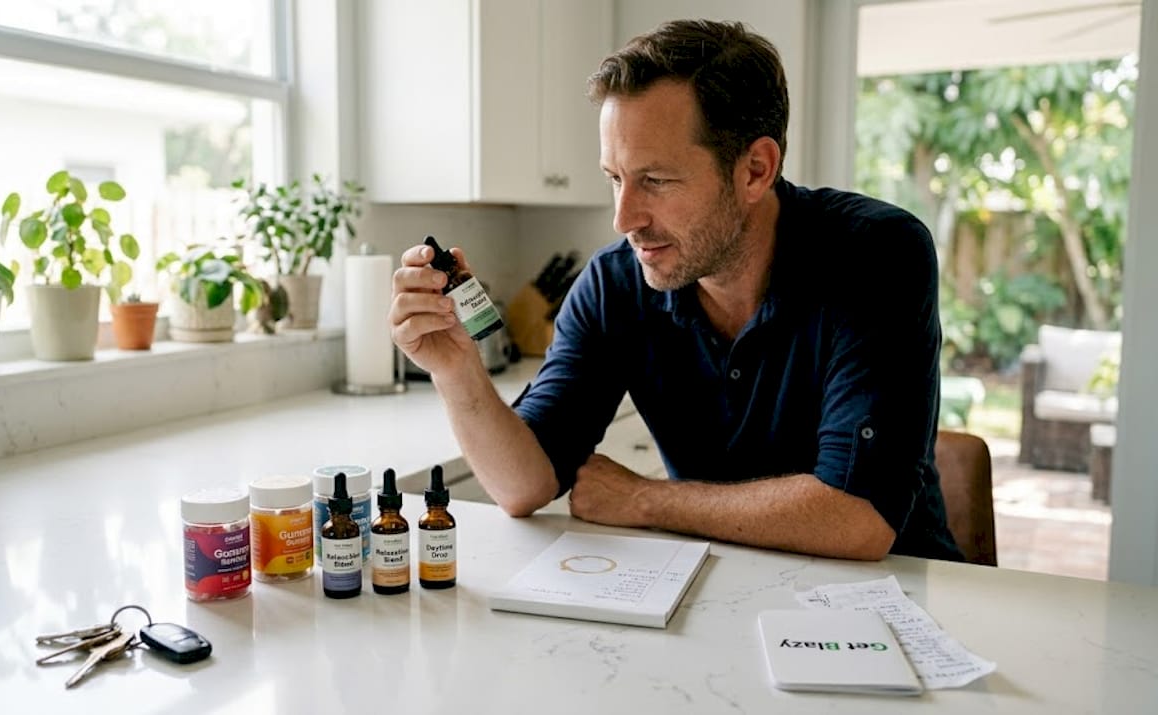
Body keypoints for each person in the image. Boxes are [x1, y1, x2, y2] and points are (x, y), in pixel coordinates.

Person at [389, 19, 963, 562]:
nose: (623, 218)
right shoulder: (616, 283)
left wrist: (644, 499)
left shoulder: (876, 253)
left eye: (655, 181)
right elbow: (522, 484)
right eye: (615, 179)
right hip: (714, 589)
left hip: (892, 602)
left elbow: (859, 519)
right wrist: (455, 369)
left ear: (756, 170)